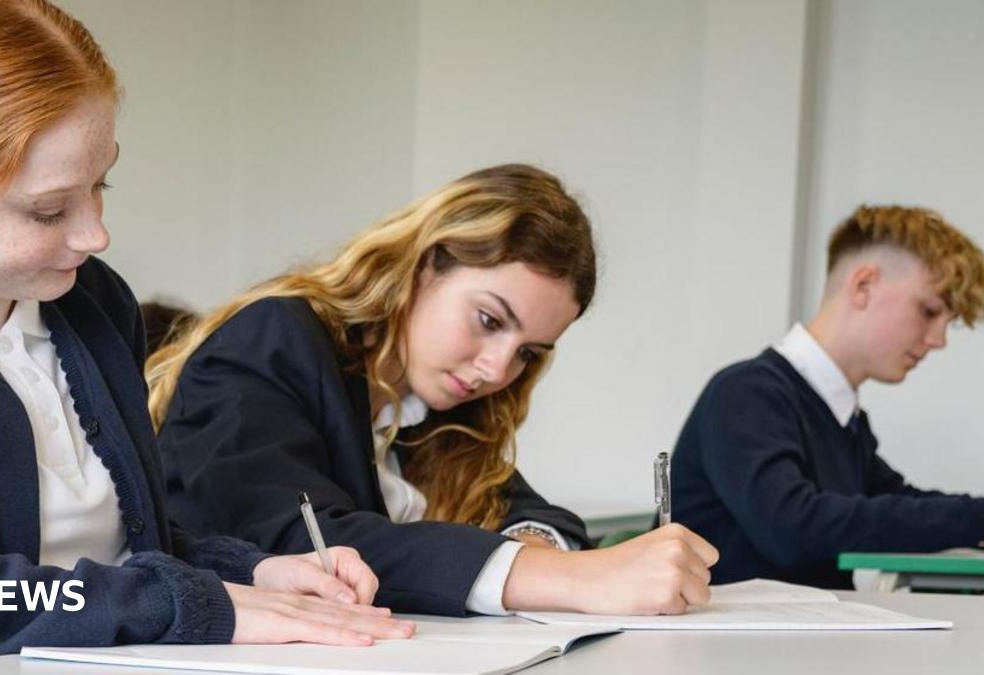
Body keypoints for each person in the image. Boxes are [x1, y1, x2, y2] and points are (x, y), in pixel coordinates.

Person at [0, 2, 409, 673]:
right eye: (50, 209)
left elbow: (126, 550)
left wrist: (254, 572)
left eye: (99, 184)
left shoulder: (92, 303)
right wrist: (195, 604)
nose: (94, 236)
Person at [148, 163, 719, 618]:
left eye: (528, 352)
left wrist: (532, 541)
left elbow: (529, 510)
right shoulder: (276, 338)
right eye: (490, 321)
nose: (497, 369)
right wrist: (562, 576)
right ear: (423, 266)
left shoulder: (435, 409)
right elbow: (297, 540)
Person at [671, 205, 984, 588]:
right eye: (929, 311)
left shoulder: (842, 417)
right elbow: (791, 527)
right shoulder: (747, 393)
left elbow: (901, 502)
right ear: (864, 285)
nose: (938, 340)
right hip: (731, 643)